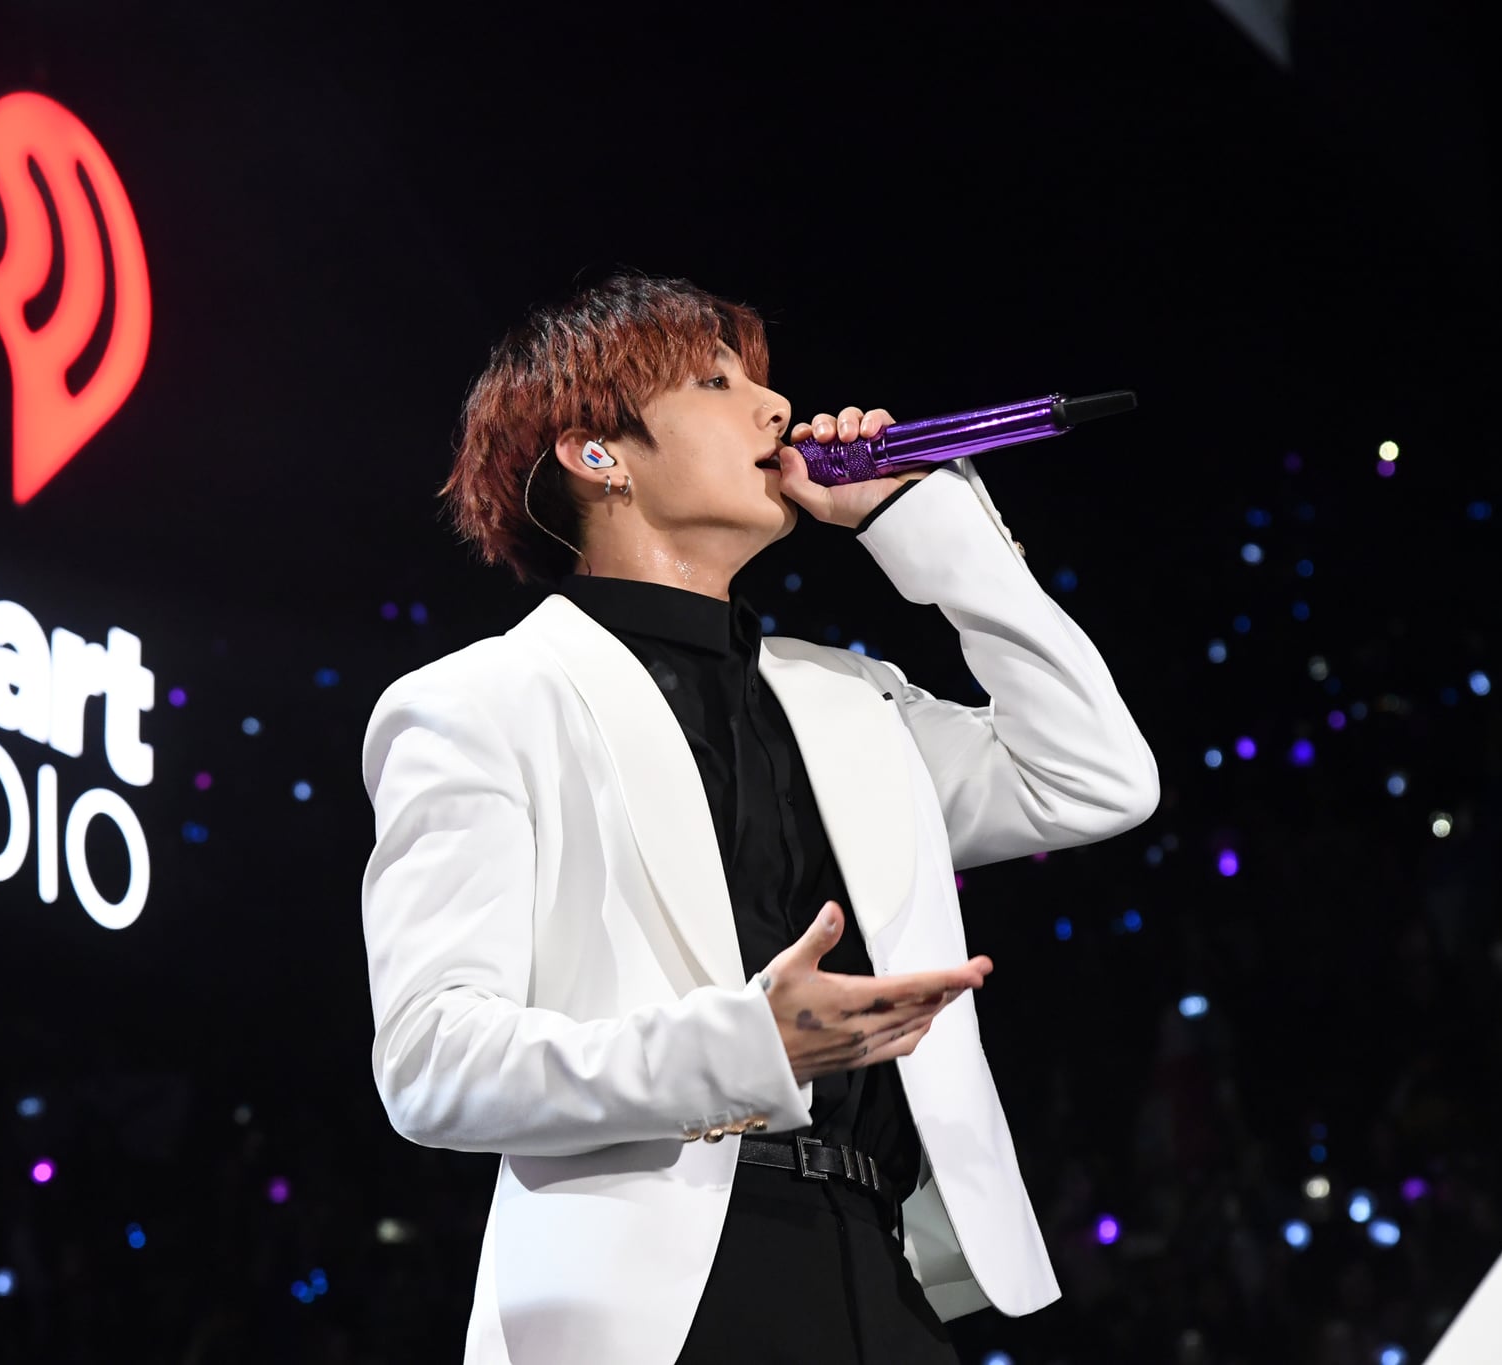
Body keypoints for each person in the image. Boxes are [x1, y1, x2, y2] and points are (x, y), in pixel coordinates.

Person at [359, 274, 1159, 1364]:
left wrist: (930, 530)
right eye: (715, 381)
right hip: (656, 1300)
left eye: (765, 384)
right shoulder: (482, 703)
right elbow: (432, 1062)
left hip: (885, 1272)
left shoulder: (848, 699)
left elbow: (1094, 778)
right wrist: (742, 1046)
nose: (776, 410)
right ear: (600, 455)